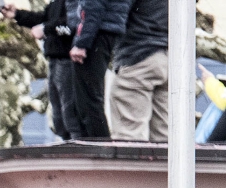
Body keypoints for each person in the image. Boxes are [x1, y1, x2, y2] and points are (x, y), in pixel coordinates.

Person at [7, 1, 78, 138]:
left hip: (68, 60)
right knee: (59, 117)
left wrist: (46, 29)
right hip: (54, 60)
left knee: (70, 115)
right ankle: (68, 147)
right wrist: (17, 14)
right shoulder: (56, 3)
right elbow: (43, 18)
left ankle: (79, 149)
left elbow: (72, 25)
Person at [104, 0, 169, 142]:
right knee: (165, 137)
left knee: (129, 136)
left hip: (138, 55)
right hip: (168, 58)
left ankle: (128, 165)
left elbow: (112, 14)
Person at [61, 0, 115, 140]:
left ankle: (101, 151)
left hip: (95, 34)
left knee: (88, 102)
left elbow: (93, 6)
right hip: (100, 30)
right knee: (88, 102)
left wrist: (82, 42)